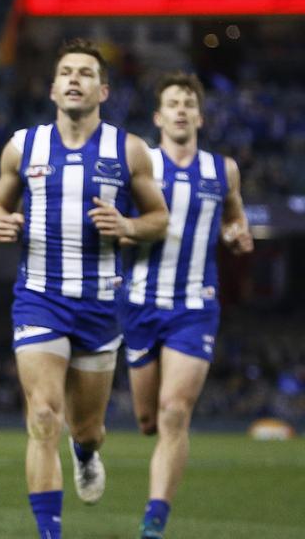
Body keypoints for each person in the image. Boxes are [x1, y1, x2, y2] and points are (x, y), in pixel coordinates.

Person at [0, 38, 169, 539]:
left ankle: (86, 453)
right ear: (51, 87)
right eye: (65, 71)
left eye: (85, 73)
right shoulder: (23, 146)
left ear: (103, 90)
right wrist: (0, 223)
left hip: (101, 304)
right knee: (44, 414)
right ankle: (50, 533)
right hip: (39, 297)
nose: (74, 79)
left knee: (87, 427)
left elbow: (159, 217)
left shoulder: (128, 149)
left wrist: (128, 227)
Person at [121, 73, 253, 538]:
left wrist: (238, 236)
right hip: (138, 303)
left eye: (187, 103)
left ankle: (155, 518)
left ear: (198, 115)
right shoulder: (140, 165)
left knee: (175, 411)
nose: (180, 109)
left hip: (195, 306)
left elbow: (235, 218)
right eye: (172, 103)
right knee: (146, 420)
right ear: (159, 116)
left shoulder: (224, 171)